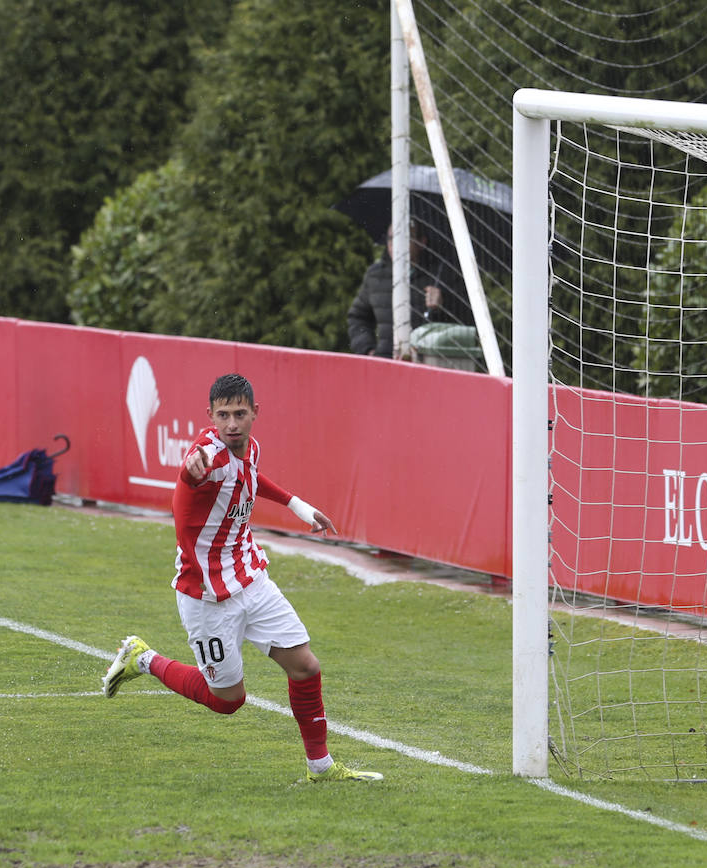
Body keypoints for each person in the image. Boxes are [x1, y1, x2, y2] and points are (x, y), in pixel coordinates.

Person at [101, 373, 383, 784]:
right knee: (228, 701)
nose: (231, 423)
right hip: (207, 597)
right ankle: (141, 657)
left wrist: (297, 505)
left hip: (250, 578)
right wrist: (188, 473)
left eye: (239, 413)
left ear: (254, 413)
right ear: (210, 416)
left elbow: (248, 475)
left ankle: (320, 768)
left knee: (305, 666)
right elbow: (192, 480)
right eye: (223, 415)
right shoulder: (206, 458)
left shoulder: (249, 448)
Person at [347, 222, 470, 359]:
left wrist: (444, 304)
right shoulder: (375, 275)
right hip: (385, 362)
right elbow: (358, 318)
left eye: (404, 237)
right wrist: (367, 350)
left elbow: (466, 323)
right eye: (391, 238)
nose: (395, 243)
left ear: (421, 242)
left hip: (428, 363)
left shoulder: (442, 275)